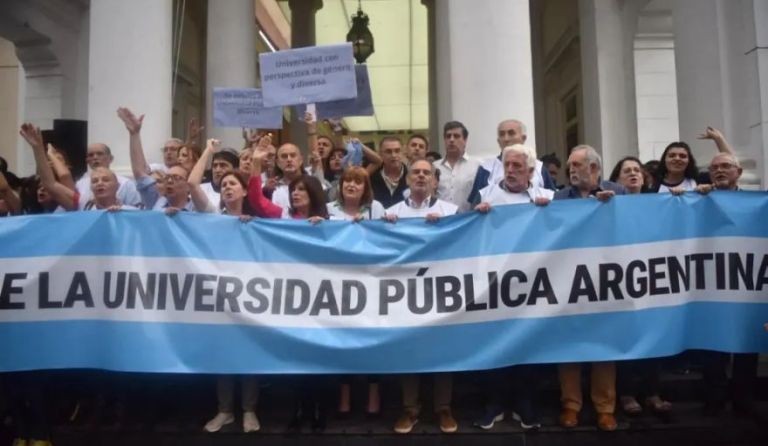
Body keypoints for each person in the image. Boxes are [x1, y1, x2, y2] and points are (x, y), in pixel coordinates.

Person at [472, 144, 552, 431]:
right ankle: (494, 404)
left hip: (532, 283)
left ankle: (524, 403)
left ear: (531, 171)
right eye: (508, 166)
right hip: (494, 284)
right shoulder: (486, 196)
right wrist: (477, 215)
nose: (512, 171)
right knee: (494, 344)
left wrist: (548, 213)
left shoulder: (545, 197)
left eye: (518, 166)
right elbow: (470, 233)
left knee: (526, 345)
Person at [385, 159, 458, 434]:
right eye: (415, 172)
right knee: (409, 349)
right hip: (405, 293)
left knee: (442, 350)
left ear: (435, 182)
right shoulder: (393, 214)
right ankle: (410, 408)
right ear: (407, 179)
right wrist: (386, 228)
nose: (421, 176)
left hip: (441, 292)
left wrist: (445, 229)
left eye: (427, 173)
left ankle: (443, 408)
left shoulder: (450, 211)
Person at [554, 144, 624, 432]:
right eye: (570, 165)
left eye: (577, 165)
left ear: (593, 168)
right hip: (569, 279)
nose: (571, 170)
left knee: (602, 345)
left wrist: (614, 208)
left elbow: (632, 226)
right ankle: (571, 404)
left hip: (606, 279)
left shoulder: (617, 193)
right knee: (569, 343)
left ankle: (605, 408)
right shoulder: (560, 197)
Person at [694, 153, 759, 417]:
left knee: (746, 342)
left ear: (738, 172)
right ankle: (715, 398)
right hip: (710, 282)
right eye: (714, 168)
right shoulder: (699, 200)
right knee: (712, 342)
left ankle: (743, 399)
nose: (719, 171)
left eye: (725, 167)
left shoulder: (755, 203)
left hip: (745, 281)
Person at [609, 157, 672, 418]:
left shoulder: (659, 203)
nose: (633, 174)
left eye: (637, 170)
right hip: (620, 280)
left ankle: (652, 392)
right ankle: (626, 393)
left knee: (651, 337)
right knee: (625, 338)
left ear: (645, 177)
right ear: (617, 179)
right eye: (627, 171)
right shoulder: (609, 204)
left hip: (651, 280)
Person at [20, 123, 131, 212]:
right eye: (95, 181)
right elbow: (50, 184)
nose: (99, 183)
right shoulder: (82, 204)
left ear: (117, 185)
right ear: (90, 187)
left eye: (106, 180)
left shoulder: (129, 210)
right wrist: (38, 148)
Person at [117, 107, 197, 212]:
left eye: (176, 178)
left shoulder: (197, 208)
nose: (169, 181)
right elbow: (140, 173)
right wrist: (134, 134)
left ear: (188, 186)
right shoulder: (155, 202)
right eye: (167, 177)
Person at [468, 119, 556, 206]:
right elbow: (475, 207)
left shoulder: (540, 168)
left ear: (523, 138)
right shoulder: (486, 168)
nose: (506, 139)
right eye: (502, 134)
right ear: (498, 141)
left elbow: (554, 204)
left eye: (511, 133)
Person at [76, 142, 142, 209]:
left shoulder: (126, 183)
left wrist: (121, 208)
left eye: (100, 154)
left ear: (110, 158)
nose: (95, 157)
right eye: (91, 155)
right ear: (87, 160)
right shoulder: (79, 185)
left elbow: (137, 210)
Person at [433, 121, 480, 213]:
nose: (451, 140)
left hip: (468, 220)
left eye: (456, 136)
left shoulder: (478, 166)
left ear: (465, 140)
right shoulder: (434, 167)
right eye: (448, 136)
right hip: (440, 221)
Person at [370, 136, 408, 208]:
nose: (393, 155)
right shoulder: (371, 178)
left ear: (403, 152)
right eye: (388, 151)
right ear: (380, 154)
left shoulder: (412, 176)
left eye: (397, 151)